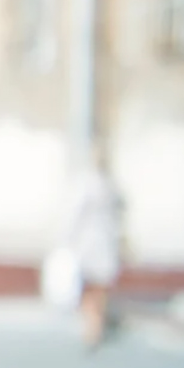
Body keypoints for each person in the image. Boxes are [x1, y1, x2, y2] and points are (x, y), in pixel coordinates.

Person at [65, 143, 124, 349]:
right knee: (98, 288)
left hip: (91, 245)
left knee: (91, 288)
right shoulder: (109, 186)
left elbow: (74, 215)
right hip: (102, 245)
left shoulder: (91, 185)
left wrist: (69, 239)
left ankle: (92, 326)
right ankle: (95, 325)